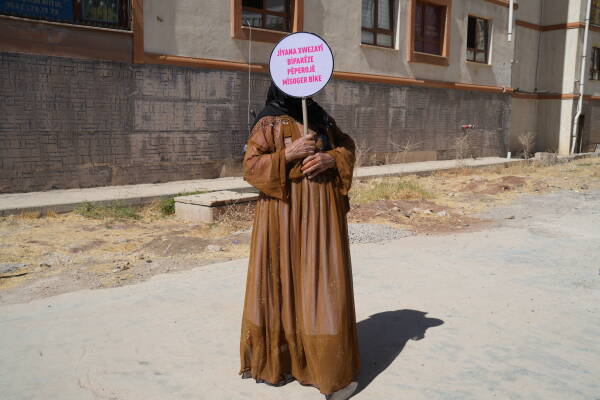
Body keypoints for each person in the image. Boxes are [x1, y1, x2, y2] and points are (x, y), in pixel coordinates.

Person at [239, 83, 360, 400]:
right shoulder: (268, 121)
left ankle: (327, 371)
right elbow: (250, 168)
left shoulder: (321, 117)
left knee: (320, 284)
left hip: (321, 217)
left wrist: (331, 158)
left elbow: (347, 146)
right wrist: (288, 154)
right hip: (281, 216)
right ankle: (280, 362)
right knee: (281, 280)